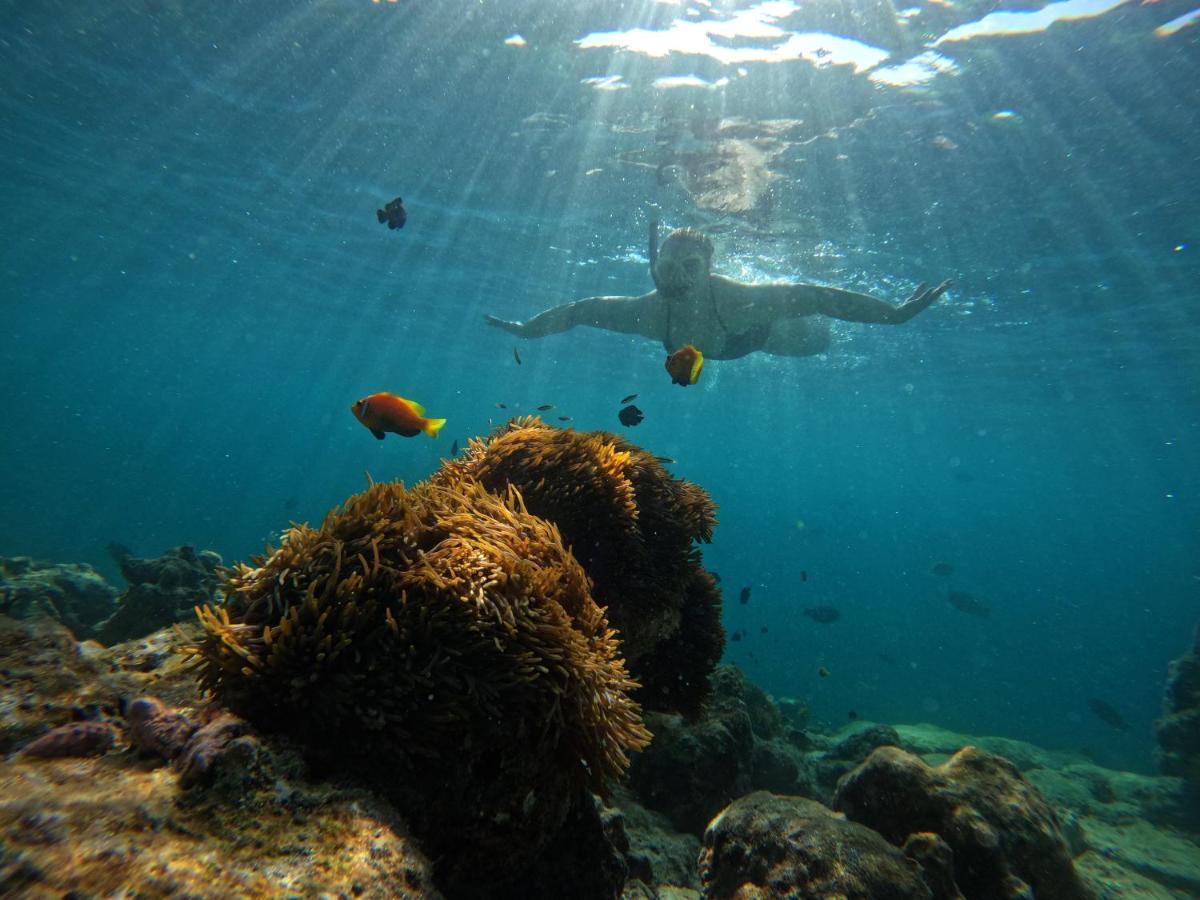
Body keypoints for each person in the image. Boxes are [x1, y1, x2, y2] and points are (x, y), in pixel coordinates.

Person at [484, 223, 951, 359]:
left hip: (765, 337)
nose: (678, 277)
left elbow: (820, 296)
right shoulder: (643, 312)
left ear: (709, 270)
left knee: (816, 341)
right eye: (668, 266)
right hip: (719, 344)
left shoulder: (739, 298)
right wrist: (528, 330)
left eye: (691, 266)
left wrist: (894, 314)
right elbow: (579, 311)